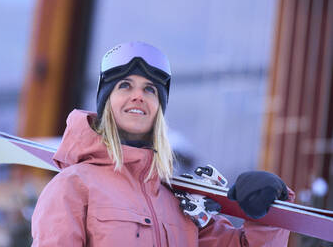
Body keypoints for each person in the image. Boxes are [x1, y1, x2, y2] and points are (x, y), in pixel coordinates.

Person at [31, 41, 294, 246]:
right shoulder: (74, 186)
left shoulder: (177, 199)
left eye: (150, 89)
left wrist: (267, 213)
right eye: (124, 86)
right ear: (106, 102)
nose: (138, 96)